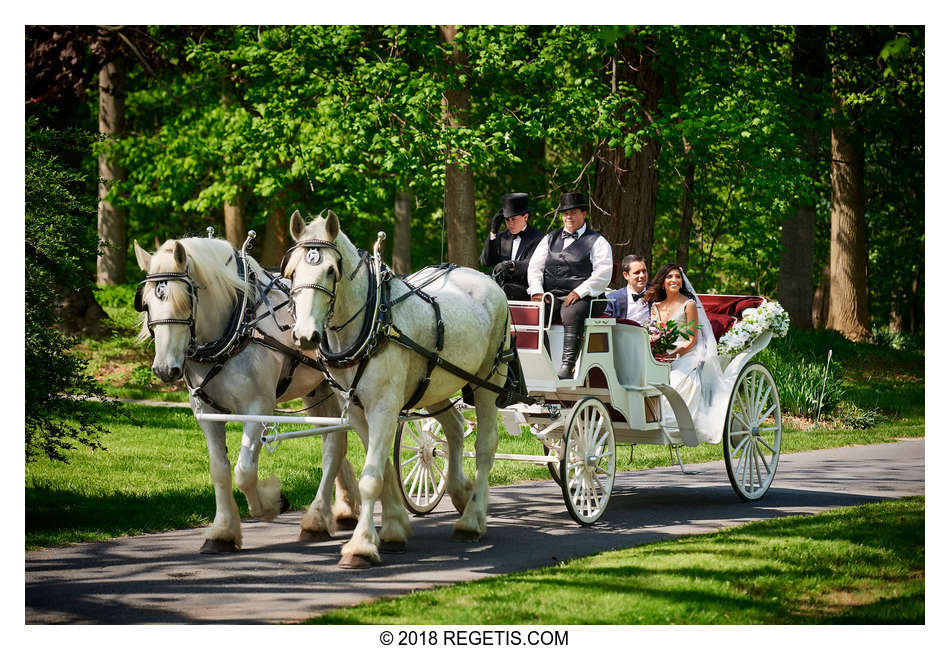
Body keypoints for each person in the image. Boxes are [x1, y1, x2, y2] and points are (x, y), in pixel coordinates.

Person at [527, 192, 613, 379]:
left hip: (587, 297)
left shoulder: (597, 241)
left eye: (573, 213)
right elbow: (535, 268)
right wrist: (536, 291)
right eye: (565, 214)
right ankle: (543, 363)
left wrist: (580, 291)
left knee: (571, 311)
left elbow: (603, 274)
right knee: (536, 312)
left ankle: (567, 366)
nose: (568, 217)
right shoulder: (550, 238)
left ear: (584, 214)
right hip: (552, 295)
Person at [644, 263, 730, 442]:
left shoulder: (688, 304)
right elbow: (653, 333)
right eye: (669, 277)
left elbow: (692, 340)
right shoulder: (656, 307)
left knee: (675, 380)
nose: (674, 280)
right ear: (663, 281)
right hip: (661, 354)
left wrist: (674, 354)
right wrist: (656, 347)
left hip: (685, 353)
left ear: (682, 281)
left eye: (677, 277)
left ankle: (674, 423)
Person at [479, 193, 544, 301]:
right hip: (499, 286)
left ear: (526, 217)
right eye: (507, 220)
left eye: (513, 219)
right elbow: (486, 261)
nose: (510, 224)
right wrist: (493, 231)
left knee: (504, 290)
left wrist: (511, 265)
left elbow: (533, 266)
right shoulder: (501, 237)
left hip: (524, 289)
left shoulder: (538, 237)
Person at [602, 254, 650, 324]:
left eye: (644, 271)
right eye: (637, 272)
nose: (642, 275)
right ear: (626, 275)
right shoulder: (612, 299)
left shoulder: (656, 294)